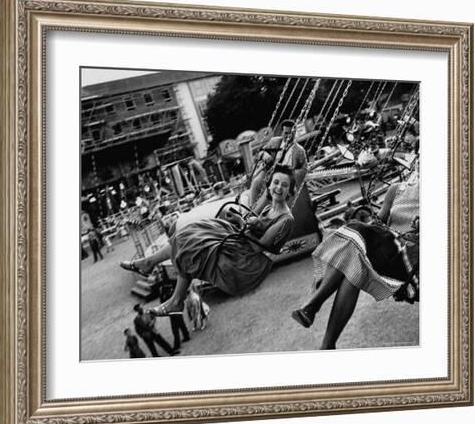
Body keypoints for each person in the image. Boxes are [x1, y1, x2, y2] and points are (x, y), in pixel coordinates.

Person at [120, 165, 295, 316]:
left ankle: (172, 294)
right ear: (270, 185)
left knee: (193, 246)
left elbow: (260, 245)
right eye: (276, 183)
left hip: (245, 255)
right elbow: (255, 193)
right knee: (189, 233)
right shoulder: (268, 207)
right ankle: (151, 266)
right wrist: (241, 220)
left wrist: (244, 223)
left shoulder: (285, 219)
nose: (278, 188)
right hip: (240, 239)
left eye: (284, 185)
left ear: (290, 190)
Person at [291, 169, 419, 349]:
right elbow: (378, 224)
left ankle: (314, 304)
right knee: (353, 265)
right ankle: (327, 345)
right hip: (387, 252)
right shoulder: (396, 190)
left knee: (354, 232)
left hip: (411, 261)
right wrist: (366, 224)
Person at [249, 119, 308, 211]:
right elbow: (260, 153)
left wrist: (291, 173)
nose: (288, 136)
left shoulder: (299, 150)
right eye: (286, 133)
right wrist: (265, 155)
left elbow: (304, 169)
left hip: (284, 176)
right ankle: (250, 207)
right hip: (269, 171)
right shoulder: (274, 142)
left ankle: (254, 213)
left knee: (270, 190)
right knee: (256, 182)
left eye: (291, 133)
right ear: (282, 133)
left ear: (295, 133)